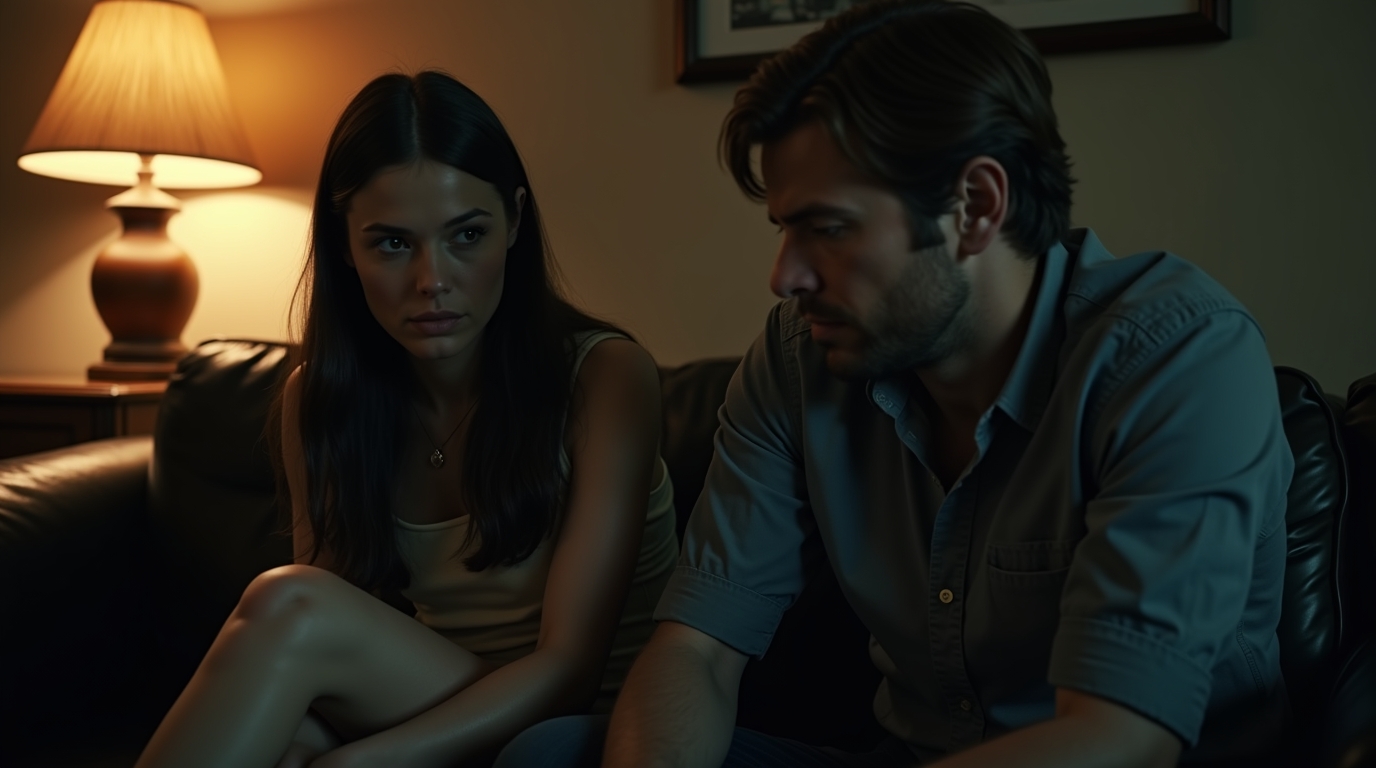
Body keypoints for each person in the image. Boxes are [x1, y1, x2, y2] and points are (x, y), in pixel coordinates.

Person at [495, 1, 1294, 766]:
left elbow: (1121, 742)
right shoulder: (798, 355)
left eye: (829, 228)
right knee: (556, 755)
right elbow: (696, 653)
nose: (785, 277)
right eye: (785, 229)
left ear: (975, 206)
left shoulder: (1178, 356)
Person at [134, 70, 678, 768]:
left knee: (291, 603)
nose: (432, 280)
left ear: (514, 221)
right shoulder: (320, 401)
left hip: (587, 724)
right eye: (393, 244)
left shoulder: (606, 377)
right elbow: (334, 639)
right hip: (434, 704)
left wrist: (358, 762)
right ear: (344, 245)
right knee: (287, 729)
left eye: (466, 235)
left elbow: (571, 668)